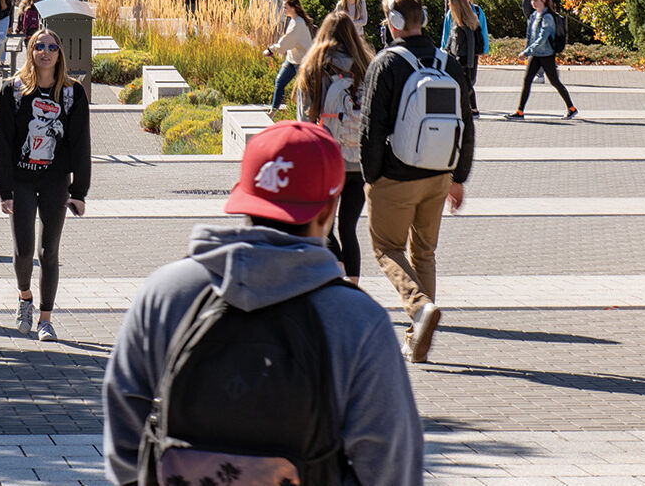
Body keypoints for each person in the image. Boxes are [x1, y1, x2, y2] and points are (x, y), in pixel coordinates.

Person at [101, 121, 422, 486]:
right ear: (328, 208)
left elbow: (124, 435)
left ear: (243, 197)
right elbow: (391, 466)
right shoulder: (357, 320)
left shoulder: (166, 293)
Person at [361, 0, 474, 363]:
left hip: (395, 176)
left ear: (394, 24)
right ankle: (417, 338)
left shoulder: (386, 63)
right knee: (424, 251)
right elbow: (466, 125)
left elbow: (372, 128)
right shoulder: (450, 63)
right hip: (439, 174)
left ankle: (419, 309)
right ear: (422, 19)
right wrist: (458, 177)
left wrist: (372, 176)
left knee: (386, 248)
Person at [0, 26, 90, 341]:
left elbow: (80, 144)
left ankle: (46, 319)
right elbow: (4, 143)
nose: (45, 52)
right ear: (31, 52)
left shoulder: (73, 93)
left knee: (49, 251)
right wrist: (4, 190)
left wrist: (79, 191)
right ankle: (25, 298)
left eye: (51, 47)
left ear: (59, 53)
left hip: (54, 180)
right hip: (21, 178)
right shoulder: (13, 91)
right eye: (39, 46)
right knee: (23, 251)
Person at [295, 11, 371, 283]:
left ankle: (335, 278)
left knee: (323, 228)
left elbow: (304, 119)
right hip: (360, 161)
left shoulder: (314, 67)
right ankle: (352, 288)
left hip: (327, 161)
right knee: (349, 229)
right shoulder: (366, 66)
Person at [509, 0, 577, 120]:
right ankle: (520, 111)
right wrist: (529, 49)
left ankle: (571, 108)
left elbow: (542, 37)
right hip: (536, 54)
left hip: (546, 54)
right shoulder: (534, 16)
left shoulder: (547, 17)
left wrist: (527, 51)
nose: (533, 3)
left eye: (536, 0)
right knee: (527, 80)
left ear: (544, 1)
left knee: (555, 81)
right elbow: (531, 36)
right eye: (532, 0)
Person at [438, 0, 488, 108]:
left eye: (450, 2)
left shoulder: (466, 22)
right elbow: (450, 36)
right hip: (456, 56)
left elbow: (471, 43)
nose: (448, 4)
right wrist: (444, 50)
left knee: (466, 85)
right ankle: (464, 108)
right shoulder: (455, 18)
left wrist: (470, 63)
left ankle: (473, 109)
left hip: (464, 59)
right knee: (462, 84)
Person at [267, 0, 315, 112]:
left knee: (304, 91)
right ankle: (273, 112)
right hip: (292, 59)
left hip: (302, 62)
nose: (283, 10)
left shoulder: (298, 23)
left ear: (293, 8)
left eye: (285, 7)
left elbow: (286, 42)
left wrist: (270, 49)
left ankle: (309, 115)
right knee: (279, 81)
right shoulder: (294, 20)